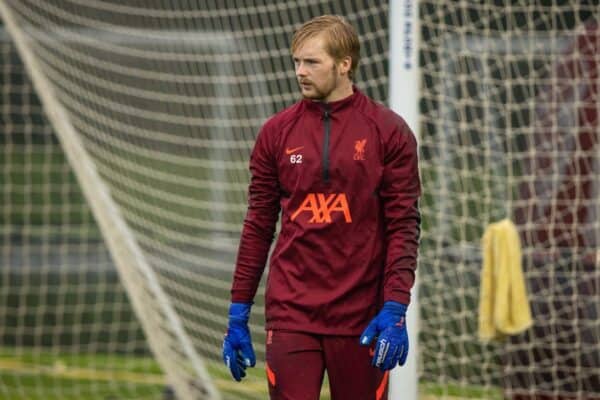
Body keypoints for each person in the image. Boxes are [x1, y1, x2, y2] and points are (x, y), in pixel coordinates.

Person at [222, 14, 421, 400]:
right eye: (296, 61)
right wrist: (238, 311)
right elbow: (258, 226)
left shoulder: (388, 131)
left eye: (312, 62)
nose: (300, 71)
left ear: (344, 64)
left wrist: (395, 305)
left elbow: (403, 226)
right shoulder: (276, 133)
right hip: (292, 312)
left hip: (363, 316)